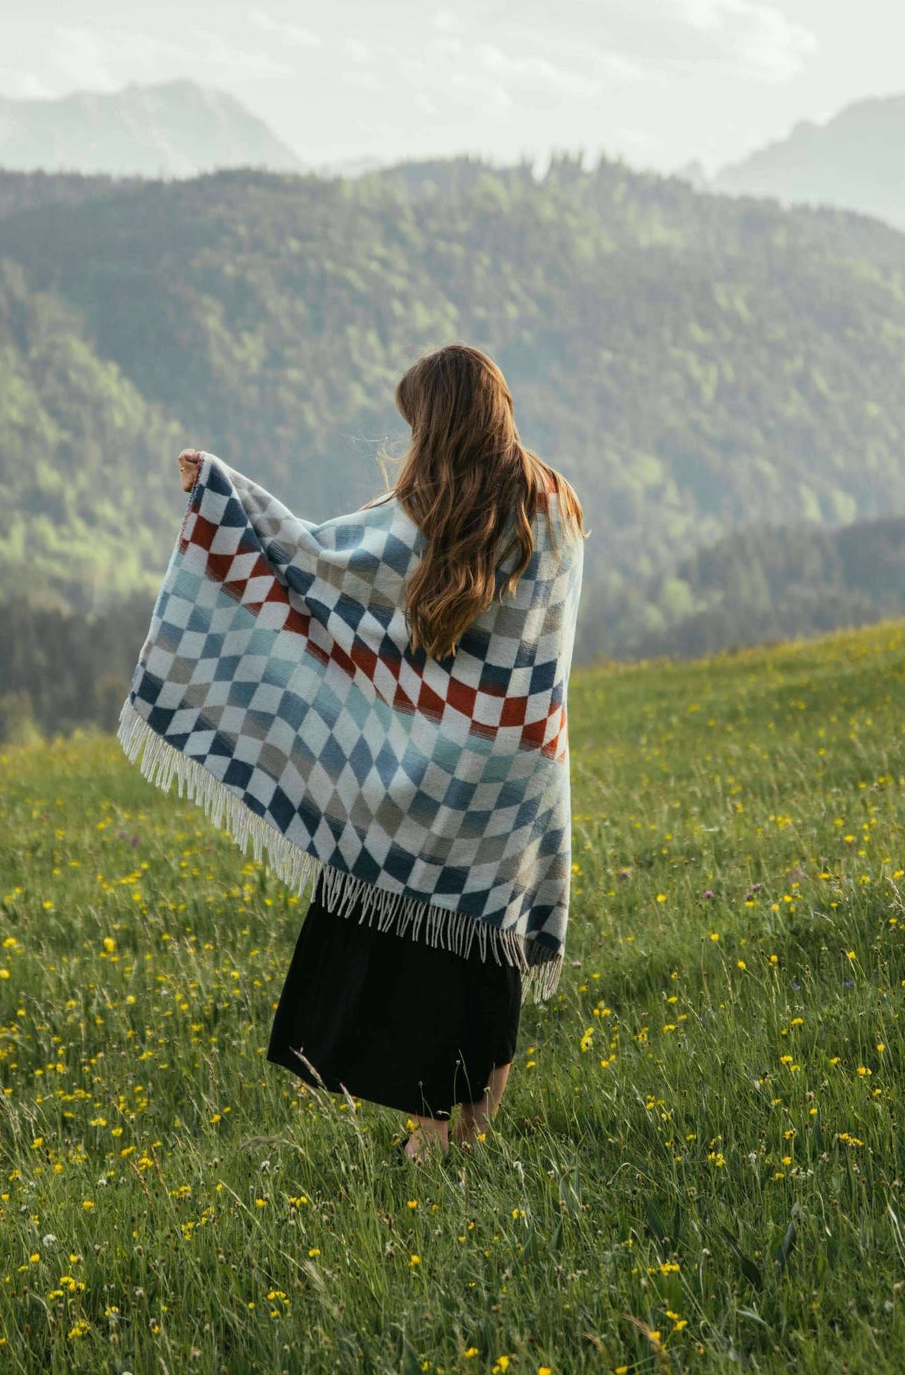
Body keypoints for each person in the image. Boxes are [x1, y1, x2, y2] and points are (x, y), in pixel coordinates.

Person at [125, 343, 583, 1162]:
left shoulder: (424, 515)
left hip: (434, 777)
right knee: (488, 950)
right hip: (519, 774)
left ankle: (434, 1142)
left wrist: (221, 495)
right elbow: (531, 650)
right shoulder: (554, 505)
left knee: (421, 954)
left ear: (437, 423)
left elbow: (315, 563)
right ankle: (470, 1134)